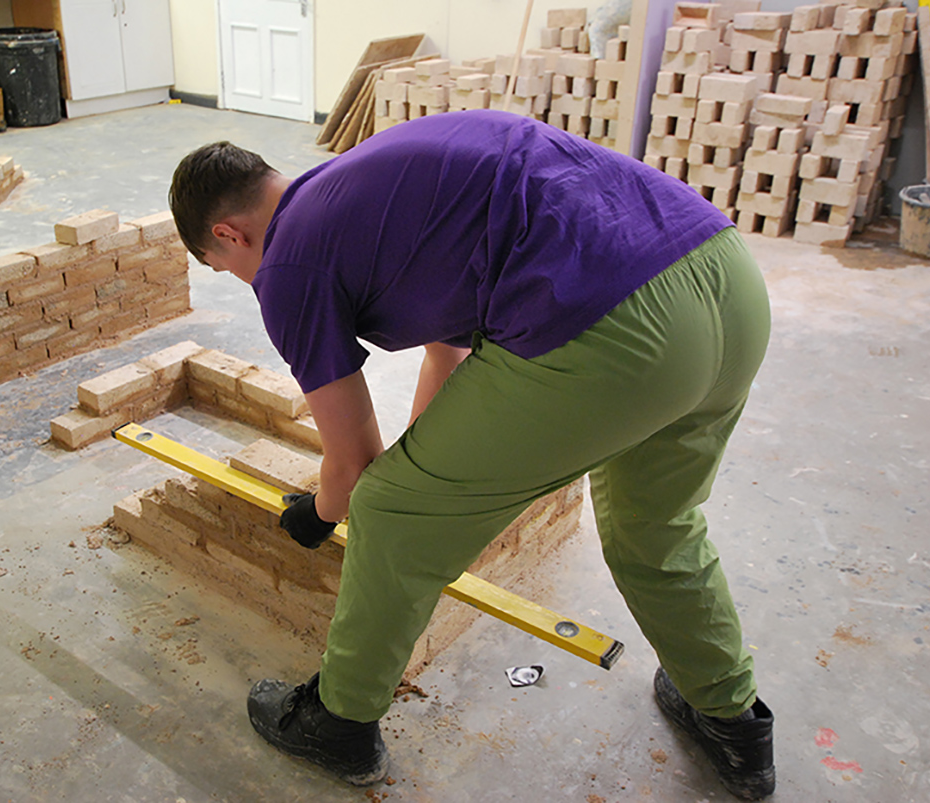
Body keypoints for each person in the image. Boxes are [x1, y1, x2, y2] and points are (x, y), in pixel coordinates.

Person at [167, 109, 775, 800]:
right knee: (656, 524)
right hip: (725, 280)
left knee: (391, 512)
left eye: (227, 268)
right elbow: (447, 352)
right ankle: (732, 720)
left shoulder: (289, 263)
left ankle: (339, 721)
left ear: (228, 234)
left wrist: (320, 514)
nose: (244, 278)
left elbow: (355, 468)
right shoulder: (368, 185)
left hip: (619, 329)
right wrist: (426, 465)